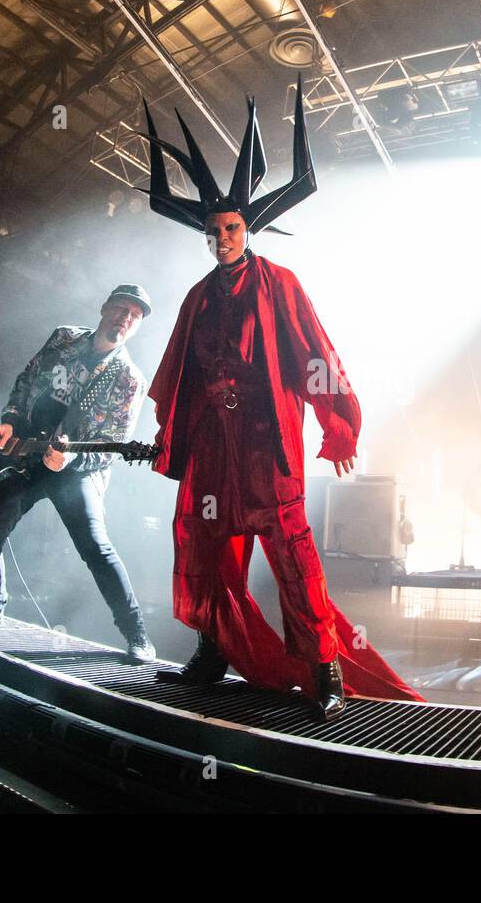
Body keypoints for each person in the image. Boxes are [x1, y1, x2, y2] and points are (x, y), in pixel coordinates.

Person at [136, 83, 422, 721]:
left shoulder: (279, 282)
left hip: (267, 441)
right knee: (205, 543)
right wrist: (171, 434)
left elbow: (311, 352)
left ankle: (324, 669)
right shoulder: (198, 296)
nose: (221, 238)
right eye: (213, 231)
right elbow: (177, 373)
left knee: (292, 551)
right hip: (214, 443)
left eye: (231, 228)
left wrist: (338, 425)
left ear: (249, 229)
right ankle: (213, 652)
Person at [0, 285, 157, 664]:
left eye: (134, 315)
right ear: (104, 308)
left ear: (138, 325)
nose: (124, 318)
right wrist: (10, 421)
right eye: (120, 309)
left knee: (97, 548)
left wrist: (71, 462)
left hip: (74, 468)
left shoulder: (129, 379)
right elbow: (28, 379)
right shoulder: (64, 339)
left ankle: (137, 635)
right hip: (24, 454)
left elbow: (112, 446)